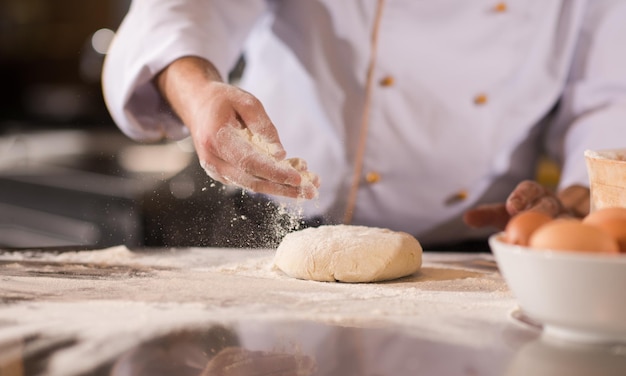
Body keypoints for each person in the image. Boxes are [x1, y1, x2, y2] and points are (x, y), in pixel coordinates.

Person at [102, 1, 626, 249]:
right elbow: (183, 10)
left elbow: (610, 92)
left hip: (475, 247)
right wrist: (197, 92)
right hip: (273, 227)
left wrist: (584, 196)